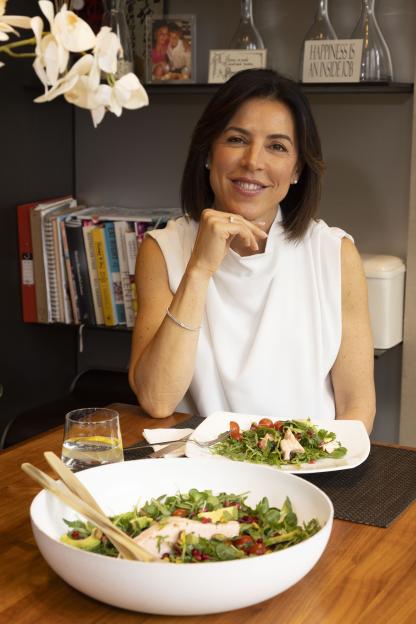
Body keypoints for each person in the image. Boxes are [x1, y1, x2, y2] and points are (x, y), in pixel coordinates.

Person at [129, 69, 376, 433]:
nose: (253, 162)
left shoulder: (334, 254)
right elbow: (157, 399)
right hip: (199, 476)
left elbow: (357, 409)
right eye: (236, 139)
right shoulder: (162, 250)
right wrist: (199, 269)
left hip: (306, 469)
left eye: (277, 146)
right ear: (209, 153)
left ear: (296, 171)